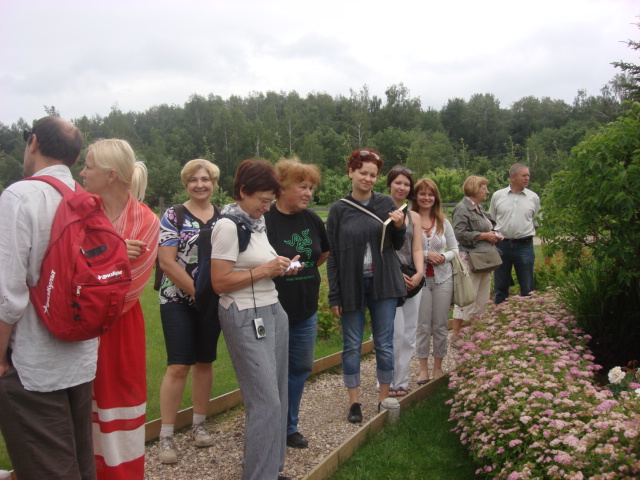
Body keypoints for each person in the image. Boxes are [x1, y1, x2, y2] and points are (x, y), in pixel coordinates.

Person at [0, 116, 98, 479]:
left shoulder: (19, 196)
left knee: (48, 468)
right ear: (74, 158)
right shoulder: (86, 199)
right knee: (79, 462)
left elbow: (8, 295)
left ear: (34, 142)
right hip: (80, 355)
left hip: (32, 362)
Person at [211, 159, 300, 480]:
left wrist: (280, 265)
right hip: (245, 316)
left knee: (278, 395)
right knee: (265, 402)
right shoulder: (227, 226)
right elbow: (220, 281)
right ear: (243, 191)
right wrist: (265, 270)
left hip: (273, 311)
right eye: (263, 200)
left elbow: (256, 265)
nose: (267, 206)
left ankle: (271, 470)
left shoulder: (255, 225)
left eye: (270, 201)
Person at [80, 139, 160, 480]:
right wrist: (112, 253)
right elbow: (59, 270)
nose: (81, 172)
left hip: (119, 326)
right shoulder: (77, 210)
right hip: (77, 326)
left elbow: (128, 287)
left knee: (117, 408)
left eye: (88, 166)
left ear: (111, 175)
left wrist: (93, 258)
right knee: (79, 410)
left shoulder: (145, 220)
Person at [326, 149, 406, 424]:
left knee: (384, 344)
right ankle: (354, 403)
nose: (368, 179)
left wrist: (399, 227)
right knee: (351, 345)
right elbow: (333, 254)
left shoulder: (386, 203)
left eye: (373, 175)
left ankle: (384, 399)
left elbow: (396, 244)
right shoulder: (338, 209)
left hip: (384, 283)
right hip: (351, 285)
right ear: (351, 172)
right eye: (363, 173)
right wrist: (334, 293)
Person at [156, 159, 223, 464]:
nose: (200, 185)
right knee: (179, 364)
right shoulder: (174, 214)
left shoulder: (224, 217)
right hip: (177, 299)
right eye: (193, 180)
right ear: (186, 183)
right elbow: (167, 262)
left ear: (214, 183)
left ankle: (199, 424)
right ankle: (166, 434)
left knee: (205, 361)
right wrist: (200, 293)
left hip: (212, 302)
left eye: (205, 179)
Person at [264, 158, 329, 450]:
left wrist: (302, 268)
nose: (308, 193)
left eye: (311, 187)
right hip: (272, 309)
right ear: (283, 187)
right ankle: (269, 425)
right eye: (302, 186)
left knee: (300, 368)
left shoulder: (312, 219)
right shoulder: (265, 219)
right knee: (271, 371)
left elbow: (322, 253)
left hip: (306, 309)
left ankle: (289, 426)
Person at [413, 178, 458, 384]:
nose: (426, 198)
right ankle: (423, 368)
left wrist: (443, 257)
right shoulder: (410, 219)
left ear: (435, 198)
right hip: (420, 279)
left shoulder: (443, 222)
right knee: (422, 325)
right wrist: (425, 255)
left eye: (430, 194)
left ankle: (438, 367)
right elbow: (405, 249)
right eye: (422, 194)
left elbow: (455, 249)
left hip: (442, 278)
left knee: (440, 324)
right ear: (416, 196)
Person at [385, 166, 424, 397]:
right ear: (389, 184)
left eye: (406, 184)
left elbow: (417, 247)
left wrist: (419, 273)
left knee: (409, 333)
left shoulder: (414, 216)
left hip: (414, 279)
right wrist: (395, 274)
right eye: (398, 183)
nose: (402, 187)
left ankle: (402, 380)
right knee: (395, 333)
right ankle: (387, 379)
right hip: (390, 279)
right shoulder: (381, 211)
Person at [451, 176, 501, 346]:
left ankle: (476, 333)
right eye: (484, 188)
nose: (487, 191)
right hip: (470, 260)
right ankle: (456, 335)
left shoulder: (478, 209)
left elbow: (486, 228)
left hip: (485, 259)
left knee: (482, 298)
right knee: (467, 297)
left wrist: (494, 234)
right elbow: (460, 234)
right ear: (474, 189)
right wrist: (485, 236)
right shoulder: (461, 209)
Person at [489, 163, 540, 304]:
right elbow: (492, 220)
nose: (527, 178)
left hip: (524, 246)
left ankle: (528, 318)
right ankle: (499, 319)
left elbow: (536, 223)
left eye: (528, 175)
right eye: (524, 175)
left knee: (527, 287)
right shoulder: (498, 196)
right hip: (501, 246)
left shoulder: (533, 198)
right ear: (512, 177)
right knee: (500, 287)